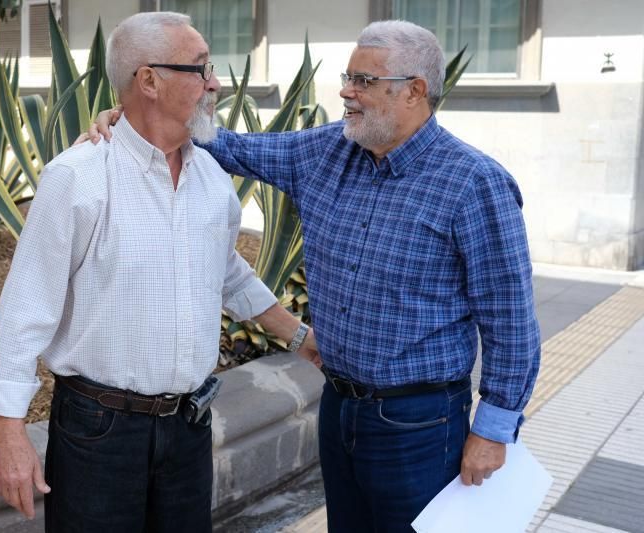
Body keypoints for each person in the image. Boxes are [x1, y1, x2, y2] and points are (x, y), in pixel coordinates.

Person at [85, 19, 541, 533]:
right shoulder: (325, 151)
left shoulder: (474, 184)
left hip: (422, 423)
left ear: (414, 91)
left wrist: (494, 431)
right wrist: (131, 118)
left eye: (364, 81)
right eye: (348, 76)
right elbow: (226, 146)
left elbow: (511, 324)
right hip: (339, 410)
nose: (346, 91)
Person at [0, 11, 319, 533]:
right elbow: (26, 309)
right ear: (149, 80)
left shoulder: (210, 175)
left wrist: (300, 337)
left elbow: (225, 269)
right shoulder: (78, 178)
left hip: (189, 429)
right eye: (200, 68)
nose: (216, 83)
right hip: (98, 433)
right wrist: (10, 436)